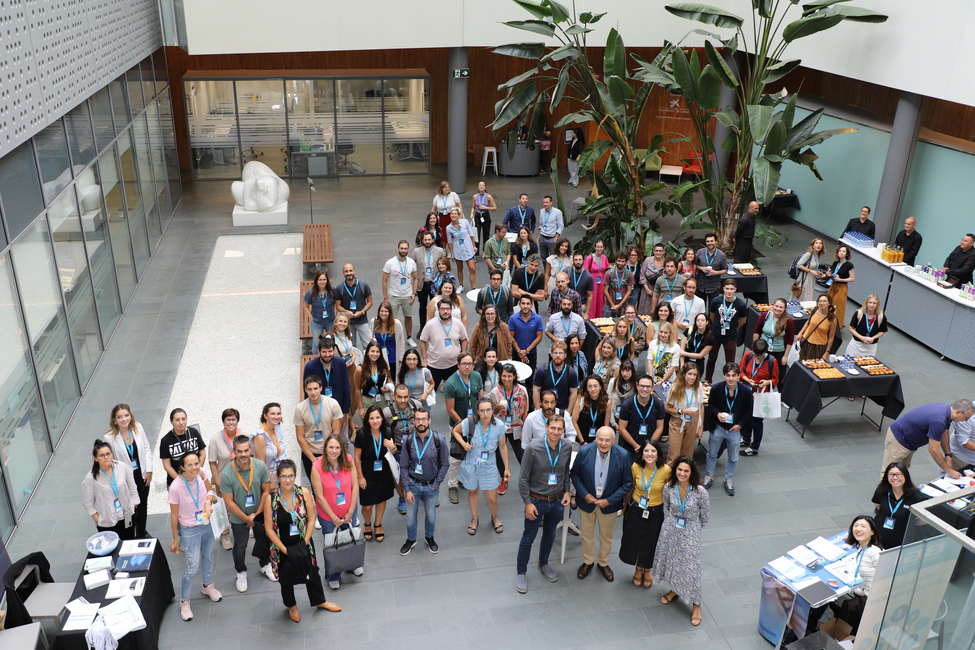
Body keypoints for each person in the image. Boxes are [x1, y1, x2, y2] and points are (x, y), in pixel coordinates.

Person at [263, 460, 341, 623]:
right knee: (285, 577)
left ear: (295, 476)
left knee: (312, 571)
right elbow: (269, 529)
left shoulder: (303, 493)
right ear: (278, 478)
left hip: (303, 541)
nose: (287, 480)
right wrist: (284, 549)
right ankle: (291, 606)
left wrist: (305, 542)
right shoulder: (270, 499)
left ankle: (320, 600)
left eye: (290, 476)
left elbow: (312, 520)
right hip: (282, 546)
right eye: (283, 476)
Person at [515, 414, 572, 594]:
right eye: (553, 428)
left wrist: (568, 491)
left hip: (556, 501)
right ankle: (521, 571)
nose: (556, 432)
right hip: (536, 501)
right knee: (529, 536)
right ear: (547, 428)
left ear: (563, 431)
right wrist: (527, 503)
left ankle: (543, 563)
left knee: (550, 534)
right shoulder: (533, 448)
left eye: (559, 429)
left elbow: (565, 472)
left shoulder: (567, 447)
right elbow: (523, 478)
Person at [571, 426, 632, 582]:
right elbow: (575, 474)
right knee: (587, 534)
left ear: (613, 440)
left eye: (607, 440)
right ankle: (588, 561)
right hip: (587, 503)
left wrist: (609, 500)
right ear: (595, 438)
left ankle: (603, 563)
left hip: (609, 505)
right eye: (600, 439)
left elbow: (627, 483)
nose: (603, 443)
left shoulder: (623, 455)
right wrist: (585, 495)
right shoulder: (584, 452)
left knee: (606, 536)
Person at [654, 455, 709, 626]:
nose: (682, 473)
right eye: (679, 469)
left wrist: (692, 529)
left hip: (690, 531)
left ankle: (696, 605)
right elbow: (668, 507)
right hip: (671, 529)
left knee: (692, 568)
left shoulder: (700, 492)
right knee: (672, 562)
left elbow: (705, 516)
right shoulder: (669, 487)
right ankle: (675, 590)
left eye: (686, 470)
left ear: (691, 472)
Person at [168, 452, 222, 621]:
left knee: (208, 556)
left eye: (196, 463)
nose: (194, 468)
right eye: (190, 465)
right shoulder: (176, 487)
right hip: (190, 529)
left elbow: (210, 491)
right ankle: (184, 601)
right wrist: (175, 539)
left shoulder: (202, 474)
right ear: (182, 468)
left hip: (206, 524)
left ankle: (207, 585)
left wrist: (207, 502)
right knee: (192, 566)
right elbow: (174, 514)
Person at [806, 516, 882, 636]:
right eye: (856, 526)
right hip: (863, 593)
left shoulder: (874, 552)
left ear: (872, 532)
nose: (858, 529)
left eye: (863, 526)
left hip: (872, 601)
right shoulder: (862, 550)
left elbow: (885, 576)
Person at [220, 435, 273, 592]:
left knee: (263, 539)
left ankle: (265, 564)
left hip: (260, 512)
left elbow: (266, 490)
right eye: (239, 451)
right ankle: (241, 571)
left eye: (246, 450)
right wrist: (246, 519)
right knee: (240, 546)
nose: (243, 454)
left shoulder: (260, 466)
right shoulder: (227, 474)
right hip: (239, 517)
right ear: (234, 451)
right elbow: (229, 502)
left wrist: (257, 514)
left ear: (250, 449)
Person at [311, 433, 362, 590]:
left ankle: (352, 564)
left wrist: (351, 511)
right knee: (333, 545)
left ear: (342, 448)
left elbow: (355, 487)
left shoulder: (349, 461)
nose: (334, 451)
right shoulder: (317, 467)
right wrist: (333, 517)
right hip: (328, 516)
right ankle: (333, 574)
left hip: (349, 511)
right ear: (325, 448)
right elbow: (319, 497)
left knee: (349, 539)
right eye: (331, 447)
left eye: (337, 447)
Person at [454, 398, 510, 536]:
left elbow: (503, 447)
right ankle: (474, 519)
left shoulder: (499, 425)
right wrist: (463, 444)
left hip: (489, 464)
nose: (485, 414)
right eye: (482, 410)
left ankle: (494, 517)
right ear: (477, 411)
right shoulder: (469, 423)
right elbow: (455, 431)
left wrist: (506, 468)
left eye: (488, 410)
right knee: (472, 492)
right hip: (471, 463)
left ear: (493, 410)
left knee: (492, 498)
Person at [619, 440, 670, 588]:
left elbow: (669, 492)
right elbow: (631, 487)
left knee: (651, 541)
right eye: (646, 451)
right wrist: (625, 506)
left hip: (655, 511)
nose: (649, 454)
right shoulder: (635, 467)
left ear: (658, 453)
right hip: (636, 508)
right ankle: (638, 568)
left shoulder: (666, 470)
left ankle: (647, 570)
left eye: (653, 451)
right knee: (635, 540)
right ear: (641, 454)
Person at [398, 407, 450, 555]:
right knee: (410, 517)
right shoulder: (408, 440)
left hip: (431, 486)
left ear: (429, 420)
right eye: (418, 419)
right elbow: (403, 465)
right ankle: (411, 539)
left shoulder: (438, 440)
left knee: (431, 514)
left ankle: (429, 538)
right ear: (414, 421)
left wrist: (436, 484)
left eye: (424, 419)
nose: (421, 422)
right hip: (413, 484)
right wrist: (407, 489)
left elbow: (445, 463)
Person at [881, 399, 974, 477]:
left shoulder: (947, 411)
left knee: (902, 470)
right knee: (890, 473)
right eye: (966, 418)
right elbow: (933, 449)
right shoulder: (939, 420)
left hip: (909, 442)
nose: (966, 421)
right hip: (899, 440)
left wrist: (948, 455)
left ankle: (897, 495)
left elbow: (944, 433)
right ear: (958, 412)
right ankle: (883, 497)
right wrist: (948, 470)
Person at [103, 404, 153, 539]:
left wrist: (149, 470)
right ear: (114, 420)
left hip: (141, 474)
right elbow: (109, 460)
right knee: (131, 507)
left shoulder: (138, 428)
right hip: (125, 478)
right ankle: (133, 531)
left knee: (142, 505)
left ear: (130, 416)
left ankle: (141, 534)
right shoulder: (109, 438)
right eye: (119, 417)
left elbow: (147, 448)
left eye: (126, 415)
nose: (124, 419)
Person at [704, 363, 752, 496]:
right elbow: (711, 404)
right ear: (724, 375)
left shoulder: (746, 391)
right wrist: (717, 413)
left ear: (738, 376)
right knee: (712, 453)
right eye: (728, 375)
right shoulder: (717, 388)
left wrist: (740, 425)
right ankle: (709, 476)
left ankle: (728, 479)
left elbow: (748, 410)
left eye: (733, 376)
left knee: (733, 457)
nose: (730, 378)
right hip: (718, 427)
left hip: (735, 429)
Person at [444, 352, 485, 503]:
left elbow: (481, 399)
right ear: (458, 365)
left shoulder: (477, 376)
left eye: (470, 364)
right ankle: (452, 485)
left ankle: (463, 478)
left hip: (475, 422)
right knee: (456, 456)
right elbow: (450, 410)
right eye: (464, 364)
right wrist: (465, 425)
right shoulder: (450, 383)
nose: (467, 366)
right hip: (457, 425)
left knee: (471, 451)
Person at [353, 405, 396, 543]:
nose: (375, 421)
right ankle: (367, 523)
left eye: (377, 417)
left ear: (382, 419)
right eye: (372, 418)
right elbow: (356, 458)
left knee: (381, 500)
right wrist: (360, 477)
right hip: (367, 474)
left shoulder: (388, 432)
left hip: (384, 473)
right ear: (367, 420)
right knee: (367, 505)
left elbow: (393, 452)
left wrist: (393, 447)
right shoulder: (361, 434)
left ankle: (377, 524)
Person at [83, 440, 139, 541]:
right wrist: (99, 519)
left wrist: (134, 503)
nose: (106, 457)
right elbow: (88, 503)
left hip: (126, 515)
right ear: (96, 459)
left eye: (108, 454)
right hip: (107, 521)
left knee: (129, 543)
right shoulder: (90, 478)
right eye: (102, 455)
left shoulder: (122, 467)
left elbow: (132, 486)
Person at [295, 375, 344, 489]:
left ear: (321, 388)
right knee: (316, 488)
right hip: (310, 454)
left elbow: (336, 432)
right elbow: (300, 437)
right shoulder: (300, 408)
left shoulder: (333, 404)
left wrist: (328, 454)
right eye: (310, 389)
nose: (313, 392)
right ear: (305, 390)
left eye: (315, 388)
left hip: (330, 452)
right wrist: (313, 459)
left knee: (332, 486)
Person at [382, 383, 423, 513]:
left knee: (419, 470)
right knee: (398, 475)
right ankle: (402, 498)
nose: (403, 400)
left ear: (409, 395)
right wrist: (390, 444)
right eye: (399, 397)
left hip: (416, 445)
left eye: (405, 397)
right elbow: (381, 431)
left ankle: (421, 492)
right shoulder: (387, 413)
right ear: (393, 396)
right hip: (398, 448)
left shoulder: (417, 406)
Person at [303, 336, 352, 442]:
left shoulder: (340, 363)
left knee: (342, 440)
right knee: (322, 440)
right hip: (319, 411)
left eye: (330, 351)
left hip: (338, 410)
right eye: (324, 352)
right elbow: (307, 392)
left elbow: (346, 388)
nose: (327, 355)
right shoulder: (310, 367)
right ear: (318, 351)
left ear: (334, 350)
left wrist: (345, 412)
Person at [739, 340, 779, 456]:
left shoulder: (772, 361)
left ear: (765, 352)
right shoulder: (748, 355)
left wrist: (767, 382)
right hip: (747, 393)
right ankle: (746, 438)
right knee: (746, 417)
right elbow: (741, 371)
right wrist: (747, 380)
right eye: (755, 354)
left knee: (756, 422)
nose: (757, 357)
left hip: (761, 396)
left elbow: (775, 379)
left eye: (760, 355)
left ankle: (754, 447)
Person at [419, 298, 469, 390]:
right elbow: (422, 341)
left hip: (454, 365)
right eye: (442, 309)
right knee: (430, 394)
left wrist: (463, 356)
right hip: (434, 366)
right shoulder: (430, 324)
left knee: (455, 393)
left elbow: (464, 339)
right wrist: (425, 359)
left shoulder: (458, 323)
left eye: (447, 309)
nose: (445, 311)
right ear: (438, 310)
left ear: (451, 310)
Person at [872, 462, 924, 549]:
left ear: (905, 476)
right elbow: (878, 505)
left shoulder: (916, 497)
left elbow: (922, 519)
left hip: (899, 542)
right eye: (891, 474)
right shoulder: (882, 490)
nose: (895, 477)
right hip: (878, 537)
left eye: (898, 474)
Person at [706, 279, 746, 383]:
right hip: (715, 335)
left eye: (731, 289)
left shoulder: (740, 304)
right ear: (723, 289)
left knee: (730, 362)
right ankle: (707, 379)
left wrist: (734, 327)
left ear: (735, 290)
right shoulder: (716, 301)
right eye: (727, 288)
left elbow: (743, 320)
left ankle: (730, 381)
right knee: (711, 359)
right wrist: (717, 325)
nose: (729, 291)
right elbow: (712, 315)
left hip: (730, 336)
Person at [664, 362, 706, 461]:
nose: (692, 377)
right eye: (690, 374)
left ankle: (685, 475)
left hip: (693, 421)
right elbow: (668, 408)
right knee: (674, 454)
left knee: (688, 454)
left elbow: (701, 406)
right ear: (683, 374)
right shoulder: (675, 388)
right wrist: (682, 411)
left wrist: (700, 426)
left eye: (694, 374)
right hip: (678, 421)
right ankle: (671, 476)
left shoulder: (698, 386)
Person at [618, 374, 665, 455]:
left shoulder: (658, 404)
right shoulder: (627, 404)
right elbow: (622, 429)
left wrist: (648, 446)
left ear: (652, 387)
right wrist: (636, 446)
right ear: (637, 386)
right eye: (642, 386)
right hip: (630, 447)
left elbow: (659, 428)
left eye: (648, 386)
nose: (645, 389)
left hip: (650, 448)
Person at [160, 408, 206, 487]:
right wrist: (180, 481)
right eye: (177, 420)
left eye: (183, 419)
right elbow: (167, 466)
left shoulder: (193, 432)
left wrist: (197, 470)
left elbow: (202, 453)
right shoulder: (166, 440)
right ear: (171, 421)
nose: (181, 422)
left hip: (196, 478)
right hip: (177, 481)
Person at [412, 230, 447, 336]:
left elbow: (445, 266)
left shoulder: (440, 251)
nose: (427, 241)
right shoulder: (416, 252)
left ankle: (436, 329)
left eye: (429, 239)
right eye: (425, 240)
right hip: (422, 284)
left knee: (437, 307)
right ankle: (423, 328)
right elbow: (412, 267)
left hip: (435, 285)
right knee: (422, 307)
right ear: (422, 240)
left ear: (433, 240)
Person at [381, 241, 418, 341]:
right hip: (393, 295)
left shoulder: (411, 262)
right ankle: (392, 337)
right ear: (398, 249)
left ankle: (409, 337)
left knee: (408, 316)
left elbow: (415, 278)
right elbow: (384, 281)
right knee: (391, 318)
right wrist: (385, 297)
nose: (403, 250)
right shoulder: (390, 263)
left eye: (405, 248)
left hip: (408, 295)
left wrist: (414, 293)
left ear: (408, 250)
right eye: (401, 248)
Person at [532, 339, 579, 411]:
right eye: (555, 353)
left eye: (560, 353)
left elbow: (573, 393)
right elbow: (536, 390)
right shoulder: (542, 370)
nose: (558, 355)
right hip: (544, 409)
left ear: (565, 355)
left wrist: (568, 411)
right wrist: (538, 410)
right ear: (551, 354)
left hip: (562, 409)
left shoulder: (571, 372)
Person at [334, 263, 374, 349]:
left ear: (354, 271)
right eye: (346, 271)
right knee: (351, 346)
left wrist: (362, 312)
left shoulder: (363, 285)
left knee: (368, 346)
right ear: (343, 273)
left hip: (362, 320)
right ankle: (354, 362)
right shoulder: (339, 288)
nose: (349, 273)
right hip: (348, 323)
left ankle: (368, 362)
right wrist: (347, 312)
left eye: (350, 271)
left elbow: (370, 302)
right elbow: (338, 306)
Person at [353, 341, 393, 424]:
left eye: (377, 352)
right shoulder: (360, 369)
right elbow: (357, 389)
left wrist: (388, 387)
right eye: (372, 351)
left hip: (382, 400)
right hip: (367, 401)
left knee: (382, 425)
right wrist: (360, 408)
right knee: (367, 425)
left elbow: (389, 379)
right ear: (367, 352)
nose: (375, 354)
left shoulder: (383, 365)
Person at [252, 402, 287, 488]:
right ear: (265, 416)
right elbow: (261, 463)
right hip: (269, 474)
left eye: (278, 413)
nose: (276, 416)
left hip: (281, 472)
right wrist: (270, 482)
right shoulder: (260, 435)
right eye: (272, 414)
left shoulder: (277, 430)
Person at [753, 298, 794, 369]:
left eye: (781, 307)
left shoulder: (788, 321)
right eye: (776, 306)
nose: (778, 309)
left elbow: (790, 340)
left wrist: (786, 356)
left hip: (778, 352)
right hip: (763, 349)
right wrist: (755, 348)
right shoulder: (765, 316)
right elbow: (757, 331)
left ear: (785, 309)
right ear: (773, 306)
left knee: (776, 374)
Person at [371, 301, 406, 378]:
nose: (383, 313)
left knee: (392, 378)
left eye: (386, 311)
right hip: (378, 357)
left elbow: (401, 342)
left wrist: (401, 358)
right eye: (382, 311)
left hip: (392, 357)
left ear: (390, 312)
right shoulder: (374, 322)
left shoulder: (396, 324)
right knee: (379, 378)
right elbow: (370, 338)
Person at [797, 293, 838, 361]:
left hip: (819, 346)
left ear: (829, 303)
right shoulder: (814, 310)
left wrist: (827, 352)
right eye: (820, 301)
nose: (822, 303)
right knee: (802, 362)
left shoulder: (833, 319)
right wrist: (800, 333)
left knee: (814, 366)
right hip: (807, 342)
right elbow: (808, 322)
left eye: (824, 301)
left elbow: (831, 337)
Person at [509, 295, 544, 372]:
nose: (525, 306)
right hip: (516, 353)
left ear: (531, 305)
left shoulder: (538, 318)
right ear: (519, 304)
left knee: (530, 379)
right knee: (516, 378)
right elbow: (511, 337)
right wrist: (520, 353)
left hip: (531, 353)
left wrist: (527, 351)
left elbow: (539, 337)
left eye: (528, 304)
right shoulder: (513, 318)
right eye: (523, 303)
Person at [846, 294, 888, 358]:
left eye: (874, 303)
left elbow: (882, 331)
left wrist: (873, 338)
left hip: (870, 348)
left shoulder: (881, 317)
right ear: (866, 303)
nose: (871, 305)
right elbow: (851, 328)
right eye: (870, 302)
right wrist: (861, 337)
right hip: (856, 345)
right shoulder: (859, 313)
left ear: (877, 305)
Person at [446, 207, 477, 291]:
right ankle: (461, 285)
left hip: (468, 248)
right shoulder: (448, 228)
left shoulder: (465, 222)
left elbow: (471, 234)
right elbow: (449, 241)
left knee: (472, 268)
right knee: (459, 268)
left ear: (459, 215)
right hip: (458, 249)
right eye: (452, 214)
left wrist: (474, 246)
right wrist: (452, 253)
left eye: (455, 214)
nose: (453, 215)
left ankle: (473, 287)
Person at [825, 244, 855, 329]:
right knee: (829, 304)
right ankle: (828, 323)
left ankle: (838, 326)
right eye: (840, 251)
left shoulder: (849, 265)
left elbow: (852, 278)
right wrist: (828, 274)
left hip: (842, 287)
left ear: (846, 254)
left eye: (843, 251)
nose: (841, 253)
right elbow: (831, 272)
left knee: (838, 307)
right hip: (833, 285)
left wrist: (840, 279)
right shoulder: (835, 263)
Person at [573, 375, 609, 446]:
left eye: (595, 386)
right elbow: (574, 422)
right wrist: (582, 442)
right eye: (590, 386)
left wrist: (596, 441)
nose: (593, 389)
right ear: (586, 388)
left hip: (598, 442)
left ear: (600, 387)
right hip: (580, 441)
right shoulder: (581, 399)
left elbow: (606, 425)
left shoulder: (607, 402)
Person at [303, 270, 335, 348]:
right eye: (320, 280)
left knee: (332, 341)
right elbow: (305, 306)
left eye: (324, 279)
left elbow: (335, 302)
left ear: (327, 280)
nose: (322, 282)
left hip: (330, 321)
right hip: (317, 322)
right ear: (316, 281)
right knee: (317, 343)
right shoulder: (311, 293)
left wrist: (335, 312)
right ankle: (316, 358)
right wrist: (311, 317)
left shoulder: (332, 290)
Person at [695, 232, 728, 305]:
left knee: (713, 310)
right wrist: (701, 268)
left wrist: (716, 272)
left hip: (714, 287)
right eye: (708, 241)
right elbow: (693, 265)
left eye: (712, 241)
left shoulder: (721, 255)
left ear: (716, 242)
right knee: (700, 309)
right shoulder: (700, 252)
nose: (710, 243)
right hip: (700, 286)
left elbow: (725, 270)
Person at [637, 243, 667, 315]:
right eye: (656, 250)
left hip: (660, 291)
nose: (658, 252)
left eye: (660, 251)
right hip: (647, 290)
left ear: (664, 252)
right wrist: (647, 289)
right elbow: (642, 275)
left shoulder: (666, 262)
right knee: (644, 313)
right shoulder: (648, 260)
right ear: (653, 251)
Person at [584, 241, 610, 318]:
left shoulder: (604, 258)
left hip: (601, 284)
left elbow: (608, 270)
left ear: (603, 248)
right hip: (592, 283)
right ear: (594, 247)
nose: (599, 248)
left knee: (600, 301)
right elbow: (585, 271)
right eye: (597, 247)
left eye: (601, 247)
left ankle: (599, 319)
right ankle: (590, 319)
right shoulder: (589, 258)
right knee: (592, 301)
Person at [607, 360, 636, 427]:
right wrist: (613, 422)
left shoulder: (636, 384)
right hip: (614, 417)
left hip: (630, 418)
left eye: (628, 371)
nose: (624, 373)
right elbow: (609, 403)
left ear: (632, 371)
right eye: (623, 370)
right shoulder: (613, 381)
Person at [795, 238, 825, 303]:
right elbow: (799, 265)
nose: (818, 245)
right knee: (804, 297)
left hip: (811, 278)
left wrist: (818, 272)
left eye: (820, 243)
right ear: (813, 245)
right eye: (816, 243)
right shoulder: (809, 254)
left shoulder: (817, 255)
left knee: (807, 297)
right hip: (805, 278)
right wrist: (810, 271)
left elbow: (813, 267)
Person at [603, 251, 632, 318]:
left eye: (623, 261)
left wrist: (619, 305)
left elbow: (629, 291)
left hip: (623, 304)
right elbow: (605, 290)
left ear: (626, 262)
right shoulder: (609, 273)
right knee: (607, 325)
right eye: (619, 261)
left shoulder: (629, 274)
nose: (620, 263)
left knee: (623, 325)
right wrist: (613, 305)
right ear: (616, 261)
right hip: (609, 304)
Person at [471, 180, 498, 248]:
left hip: (485, 215)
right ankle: (476, 250)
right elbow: (473, 207)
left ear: (485, 187)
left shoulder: (489, 196)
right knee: (476, 233)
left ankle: (485, 250)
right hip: (477, 215)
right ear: (478, 187)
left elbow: (495, 208)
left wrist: (486, 207)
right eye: (480, 185)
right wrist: (471, 213)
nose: (481, 187)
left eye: (483, 185)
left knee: (486, 234)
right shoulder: (475, 196)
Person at [537, 196, 565, 261]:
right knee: (543, 258)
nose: (545, 204)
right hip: (543, 237)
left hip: (551, 238)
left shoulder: (557, 212)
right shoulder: (542, 211)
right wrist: (539, 236)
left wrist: (556, 238)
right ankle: (545, 271)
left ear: (551, 202)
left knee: (553, 258)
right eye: (543, 202)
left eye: (547, 202)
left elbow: (561, 226)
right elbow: (541, 224)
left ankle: (552, 271)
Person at [569, 252, 595, 317]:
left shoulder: (588, 276)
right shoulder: (567, 272)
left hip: (581, 306)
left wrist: (587, 313)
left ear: (583, 261)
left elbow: (590, 296)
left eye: (580, 260)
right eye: (576, 260)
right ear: (573, 261)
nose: (578, 262)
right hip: (568, 305)